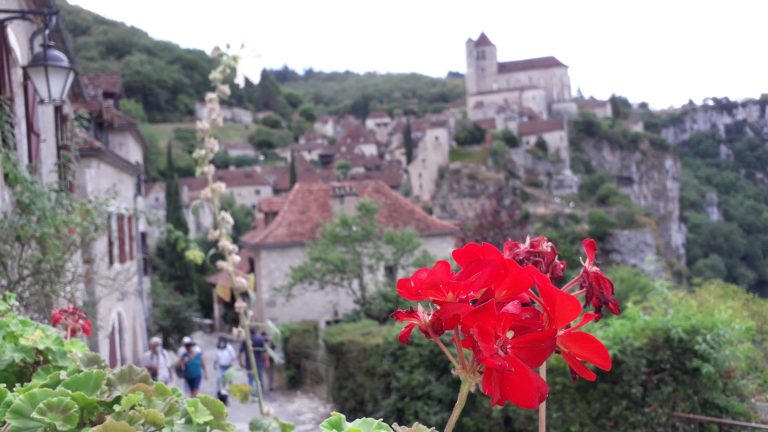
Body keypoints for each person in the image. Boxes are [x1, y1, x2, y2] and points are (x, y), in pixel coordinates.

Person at [239, 330, 269, 396]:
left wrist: (240, 362)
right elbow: (265, 351)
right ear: (255, 333)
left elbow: (240, 352)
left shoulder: (245, 340)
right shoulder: (260, 339)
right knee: (259, 378)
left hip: (249, 363)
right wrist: (267, 361)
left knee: (251, 379)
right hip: (258, 363)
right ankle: (259, 393)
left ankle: (253, 394)